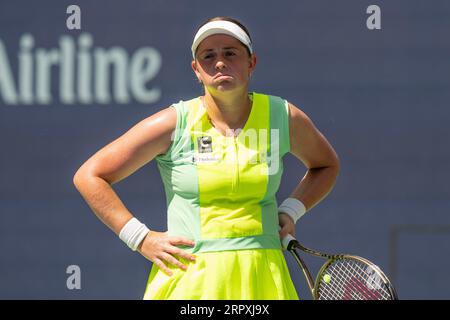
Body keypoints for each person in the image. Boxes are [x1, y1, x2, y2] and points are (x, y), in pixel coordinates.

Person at [73, 16, 340, 300]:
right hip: (190, 282)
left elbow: (325, 165)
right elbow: (90, 175)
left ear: (251, 63)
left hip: (264, 277)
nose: (220, 62)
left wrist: (291, 211)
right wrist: (139, 237)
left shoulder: (283, 117)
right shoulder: (172, 123)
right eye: (208, 56)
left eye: (230, 53)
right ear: (197, 70)